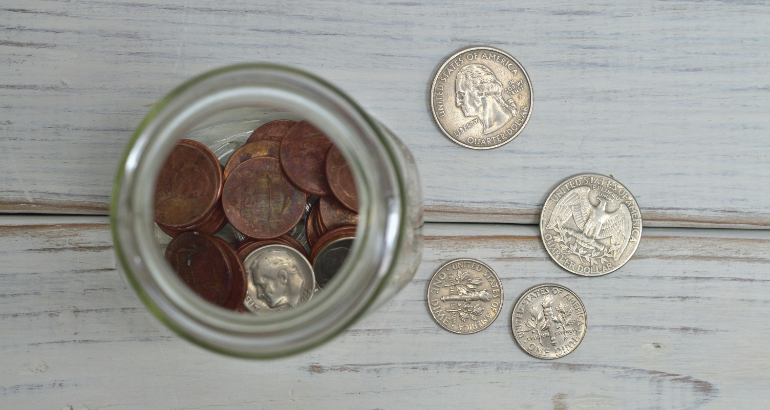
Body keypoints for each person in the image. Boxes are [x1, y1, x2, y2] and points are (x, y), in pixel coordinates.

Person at [455, 64, 517, 134]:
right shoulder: (490, 128)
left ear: (479, 93)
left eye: (462, 95)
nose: (458, 103)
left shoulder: (500, 123)